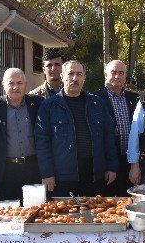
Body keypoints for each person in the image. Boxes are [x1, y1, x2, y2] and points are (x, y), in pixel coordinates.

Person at [36, 60, 117, 196]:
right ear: (62, 76)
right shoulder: (48, 106)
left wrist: (112, 167)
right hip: (64, 177)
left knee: (95, 214)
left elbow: (108, 137)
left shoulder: (97, 103)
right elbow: (42, 142)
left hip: (94, 174)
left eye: (79, 74)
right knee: (66, 216)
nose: (75, 78)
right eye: (70, 74)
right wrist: (47, 173)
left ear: (84, 77)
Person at [0, 68, 44, 203]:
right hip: (6, 171)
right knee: (9, 214)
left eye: (19, 83)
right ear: (3, 85)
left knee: (35, 209)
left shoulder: (38, 104)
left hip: (33, 168)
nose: (15, 87)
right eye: (11, 83)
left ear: (26, 84)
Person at [93, 60, 139, 196]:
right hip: (107, 163)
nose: (117, 76)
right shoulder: (95, 99)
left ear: (125, 76)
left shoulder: (135, 99)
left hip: (131, 161)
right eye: (113, 72)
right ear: (105, 74)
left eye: (121, 73)